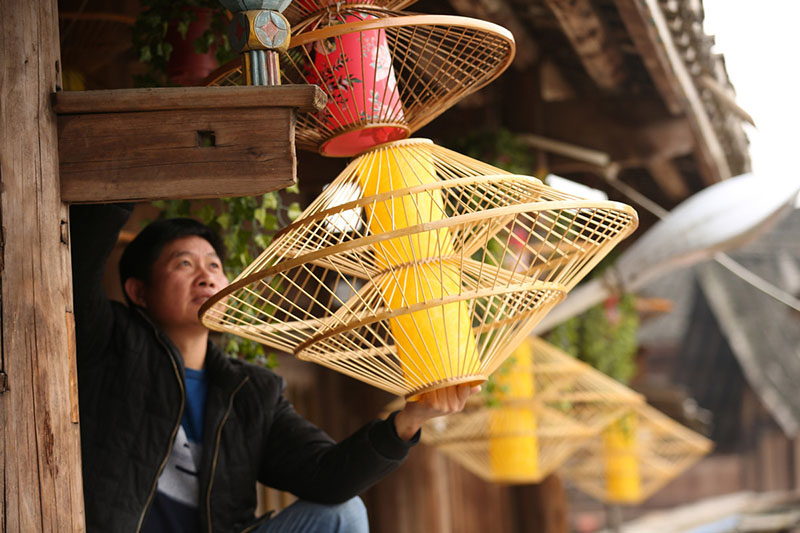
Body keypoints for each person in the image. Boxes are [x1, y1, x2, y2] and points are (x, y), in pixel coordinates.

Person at [70, 203, 478, 533]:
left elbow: (327, 476)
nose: (207, 278)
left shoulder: (250, 392)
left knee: (343, 515)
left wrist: (409, 420)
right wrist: (119, 177)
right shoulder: (110, 342)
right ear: (138, 292)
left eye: (214, 266)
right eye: (184, 265)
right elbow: (79, 261)